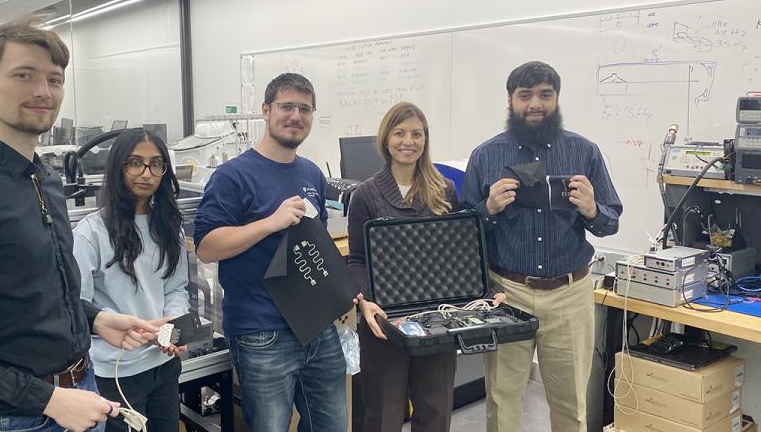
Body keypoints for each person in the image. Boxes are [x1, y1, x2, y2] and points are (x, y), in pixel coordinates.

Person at [0, 18, 159, 432]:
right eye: (24, 75)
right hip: (18, 418)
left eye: (55, 79)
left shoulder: (44, 178)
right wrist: (49, 400)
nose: (44, 91)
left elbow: (34, 292)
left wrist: (96, 319)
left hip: (79, 393)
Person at [460, 61, 623, 432]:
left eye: (545, 95)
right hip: (507, 293)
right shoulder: (486, 155)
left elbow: (610, 221)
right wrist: (488, 208)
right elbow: (464, 230)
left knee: (571, 406)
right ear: (510, 100)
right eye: (526, 95)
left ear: (557, 99)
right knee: (503, 402)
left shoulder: (585, 152)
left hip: (570, 294)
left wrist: (592, 209)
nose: (535, 104)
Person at [194, 72, 347, 432]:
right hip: (262, 333)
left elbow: (317, 243)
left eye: (305, 109)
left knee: (332, 426)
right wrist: (270, 223)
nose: (296, 116)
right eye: (287, 106)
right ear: (265, 110)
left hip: (317, 327)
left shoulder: (311, 173)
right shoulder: (232, 176)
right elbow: (205, 247)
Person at [347, 102, 504, 431]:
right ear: (386, 139)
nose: (408, 141)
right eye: (400, 133)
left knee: (434, 412)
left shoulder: (444, 189)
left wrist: (489, 291)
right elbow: (358, 260)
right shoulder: (366, 195)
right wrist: (364, 302)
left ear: (425, 139)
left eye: (417, 134)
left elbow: (460, 251)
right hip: (385, 323)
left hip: (436, 320)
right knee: (383, 416)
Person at [74, 128, 189, 432]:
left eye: (156, 164)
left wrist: (173, 327)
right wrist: (134, 330)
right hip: (116, 371)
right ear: (117, 168)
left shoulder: (168, 225)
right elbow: (78, 306)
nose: (146, 173)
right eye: (135, 163)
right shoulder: (91, 232)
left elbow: (176, 287)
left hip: (163, 364)